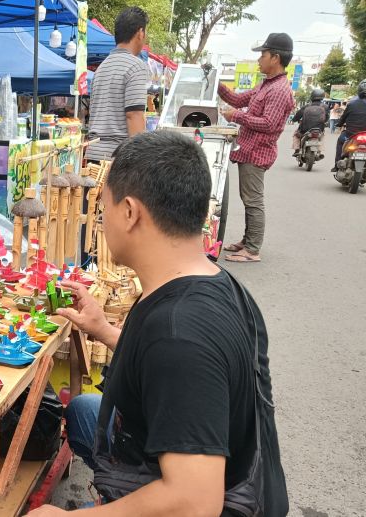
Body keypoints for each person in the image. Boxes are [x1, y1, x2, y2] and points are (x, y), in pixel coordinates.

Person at [26, 131, 288, 517]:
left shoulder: (179, 333)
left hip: (218, 501)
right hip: (234, 463)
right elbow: (167, 370)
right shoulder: (214, 281)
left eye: (105, 208)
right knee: (83, 410)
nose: (102, 219)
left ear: (130, 212)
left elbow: (195, 503)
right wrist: (102, 329)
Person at [218, 33, 294, 264]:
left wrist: (237, 117)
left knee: (253, 200)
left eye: (263, 55)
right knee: (248, 197)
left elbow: (269, 124)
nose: (259, 59)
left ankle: (252, 249)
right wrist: (215, 82)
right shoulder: (265, 85)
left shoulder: (279, 90)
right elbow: (238, 99)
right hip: (248, 149)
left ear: (276, 58)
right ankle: (247, 240)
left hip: (258, 151)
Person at [85, 7, 149, 162]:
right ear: (140, 33)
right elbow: (134, 115)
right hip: (117, 160)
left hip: (93, 153)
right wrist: (139, 162)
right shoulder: (136, 66)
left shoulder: (102, 67)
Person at [332, 79, 366, 171]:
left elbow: (343, 118)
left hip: (351, 134)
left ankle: (337, 165)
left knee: (340, 141)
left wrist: (339, 124)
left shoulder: (352, 103)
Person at [291, 87, 328, 156]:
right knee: (322, 136)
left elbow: (298, 115)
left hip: (304, 129)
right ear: (322, 97)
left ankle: (297, 149)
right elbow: (326, 118)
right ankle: (319, 151)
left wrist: (294, 120)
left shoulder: (306, 106)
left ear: (312, 96)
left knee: (296, 135)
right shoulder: (325, 107)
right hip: (319, 129)